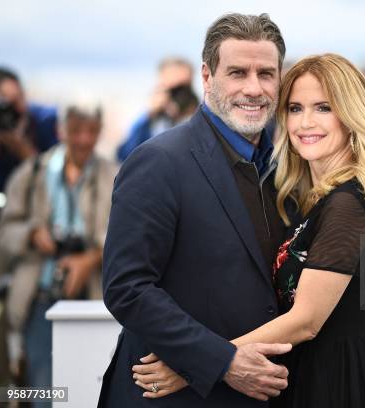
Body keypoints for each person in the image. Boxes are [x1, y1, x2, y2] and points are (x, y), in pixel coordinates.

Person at [134, 54, 365, 408]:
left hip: (336, 383)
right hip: (315, 371)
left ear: (352, 115)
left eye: (323, 108)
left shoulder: (349, 202)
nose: (305, 123)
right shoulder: (322, 197)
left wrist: (197, 362)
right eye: (294, 108)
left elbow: (305, 321)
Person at [99, 13, 291, 408]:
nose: (254, 88)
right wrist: (223, 362)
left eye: (266, 74)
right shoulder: (158, 161)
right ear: (207, 77)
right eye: (238, 72)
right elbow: (127, 288)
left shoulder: (286, 168)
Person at [0, 99, 116, 406]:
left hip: (94, 299)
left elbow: (128, 236)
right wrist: (32, 234)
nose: (83, 140)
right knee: (45, 391)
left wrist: (89, 258)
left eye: (91, 131)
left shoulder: (114, 176)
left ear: (100, 132)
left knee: (91, 387)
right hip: (39, 297)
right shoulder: (31, 174)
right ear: (60, 130)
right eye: (75, 130)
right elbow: (5, 233)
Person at [116, 57, 194, 162]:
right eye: (173, 90)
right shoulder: (149, 120)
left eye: (183, 89)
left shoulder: (201, 117)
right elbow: (125, 156)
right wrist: (149, 114)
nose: (179, 95)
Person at [0, 67, 58, 197]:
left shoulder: (45, 122)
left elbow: (57, 176)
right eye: (6, 106)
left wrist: (22, 149)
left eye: (19, 98)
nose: (18, 110)